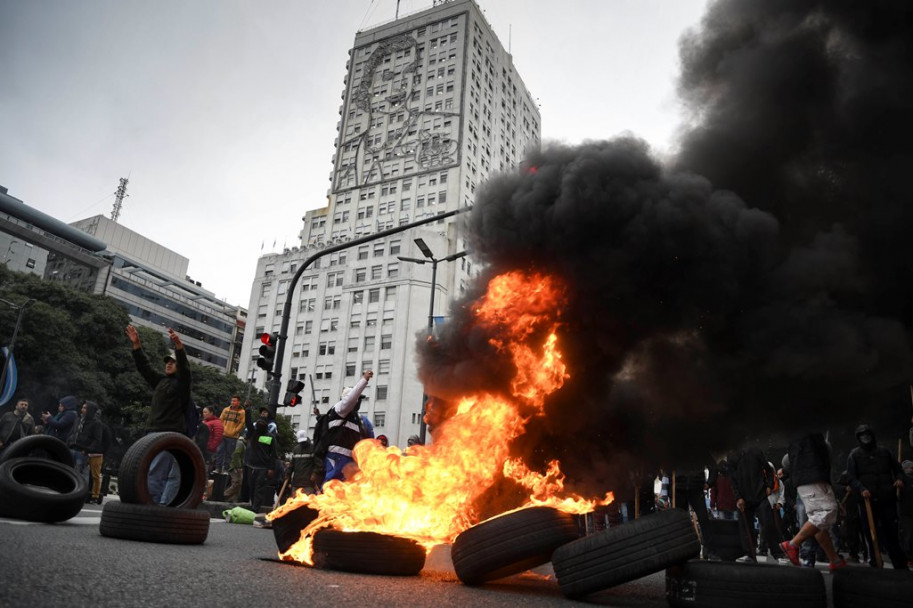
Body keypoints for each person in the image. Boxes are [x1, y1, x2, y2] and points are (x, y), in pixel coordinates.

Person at [125, 324, 191, 506]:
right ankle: (148, 501)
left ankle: (150, 506)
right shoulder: (160, 381)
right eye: (167, 362)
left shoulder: (182, 385)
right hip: (150, 432)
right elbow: (144, 367)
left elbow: (185, 369)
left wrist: (179, 347)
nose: (168, 364)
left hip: (168, 434)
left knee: (156, 471)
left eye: (172, 362)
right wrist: (136, 345)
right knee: (144, 469)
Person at [778, 432, 847, 571]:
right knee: (825, 512)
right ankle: (792, 545)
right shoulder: (807, 433)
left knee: (817, 520)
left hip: (809, 477)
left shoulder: (801, 435)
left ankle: (834, 559)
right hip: (811, 476)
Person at [847, 424, 907, 569]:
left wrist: (899, 480)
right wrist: (861, 489)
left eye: (868, 434)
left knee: (891, 530)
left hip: (887, 498)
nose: (865, 437)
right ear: (858, 438)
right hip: (867, 500)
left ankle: (899, 564)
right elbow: (851, 477)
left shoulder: (885, 452)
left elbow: (898, 470)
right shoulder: (854, 455)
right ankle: (875, 561)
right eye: (862, 435)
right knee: (870, 533)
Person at [314, 370, 374, 485]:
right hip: (337, 458)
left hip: (350, 461)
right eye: (357, 399)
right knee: (331, 487)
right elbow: (351, 398)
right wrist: (364, 380)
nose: (358, 401)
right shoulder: (340, 408)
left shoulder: (357, 419)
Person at [730, 445, 783, 562]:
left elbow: (769, 470)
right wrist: (738, 497)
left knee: (768, 523)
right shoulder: (733, 456)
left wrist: (769, 485)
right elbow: (733, 480)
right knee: (746, 527)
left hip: (760, 494)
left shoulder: (756, 451)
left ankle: (777, 552)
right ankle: (750, 554)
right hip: (744, 497)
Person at [71, 401, 105, 504]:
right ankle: (71, 491)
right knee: (72, 471)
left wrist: (87, 450)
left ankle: (81, 495)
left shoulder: (96, 423)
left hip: (83, 451)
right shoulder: (78, 420)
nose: (82, 410)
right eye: (82, 407)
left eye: (85, 408)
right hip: (73, 448)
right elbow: (73, 432)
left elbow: (97, 439)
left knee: (82, 473)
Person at [248, 419, 278, 513]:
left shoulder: (270, 437)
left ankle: (255, 508)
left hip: (263, 468)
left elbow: (273, 454)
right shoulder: (254, 434)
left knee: (258, 489)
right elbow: (248, 423)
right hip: (252, 466)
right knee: (252, 488)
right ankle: (253, 505)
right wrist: (247, 410)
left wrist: (271, 468)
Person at [286, 430, 320, 498]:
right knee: (294, 504)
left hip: (308, 483)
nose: (302, 443)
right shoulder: (296, 449)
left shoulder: (313, 448)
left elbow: (318, 463)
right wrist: (288, 473)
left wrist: (314, 473)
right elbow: (292, 464)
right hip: (296, 482)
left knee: (306, 504)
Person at [216, 396, 245, 474]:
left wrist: (235, 431)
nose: (232, 402)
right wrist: (222, 429)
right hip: (223, 434)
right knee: (220, 451)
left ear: (239, 402)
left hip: (233, 437)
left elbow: (241, 423)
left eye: (234, 401)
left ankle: (226, 469)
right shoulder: (226, 409)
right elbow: (221, 419)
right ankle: (218, 468)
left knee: (229, 454)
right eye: (232, 400)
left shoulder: (242, 412)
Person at [201, 406, 223, 474]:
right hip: (202, 449)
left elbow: (218, 437)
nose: (203, 414)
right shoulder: (203, 421)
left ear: (211, 413)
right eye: (203, 412)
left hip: (209, 451)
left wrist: (211, 447)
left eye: (205, 412)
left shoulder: (217, 423)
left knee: (205, 470)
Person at [900, 460, 913, 566]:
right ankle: (908, 557)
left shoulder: (902, 479)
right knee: (907, 536)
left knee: (907, 535)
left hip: (906, 511)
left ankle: (908, 557)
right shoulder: (901, 479)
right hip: (906, 512)